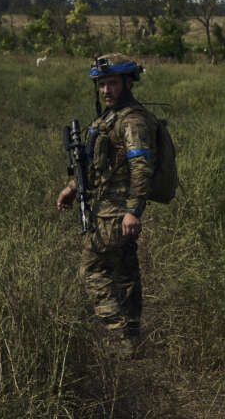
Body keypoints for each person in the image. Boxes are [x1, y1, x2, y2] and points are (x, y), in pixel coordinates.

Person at [56, 53, 157, 357]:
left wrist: (133, 211)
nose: (105, 90)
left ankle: (119, 335)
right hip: (106, 206)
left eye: (111, 83)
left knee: (93, 271)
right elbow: (95, 165)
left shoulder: (132, 120)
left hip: (116, 212)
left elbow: (141, 168)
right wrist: (72, 187)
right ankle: (132, 340)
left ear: (127, 83)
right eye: (101, 84)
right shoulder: (109, 118)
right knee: (124, 272)